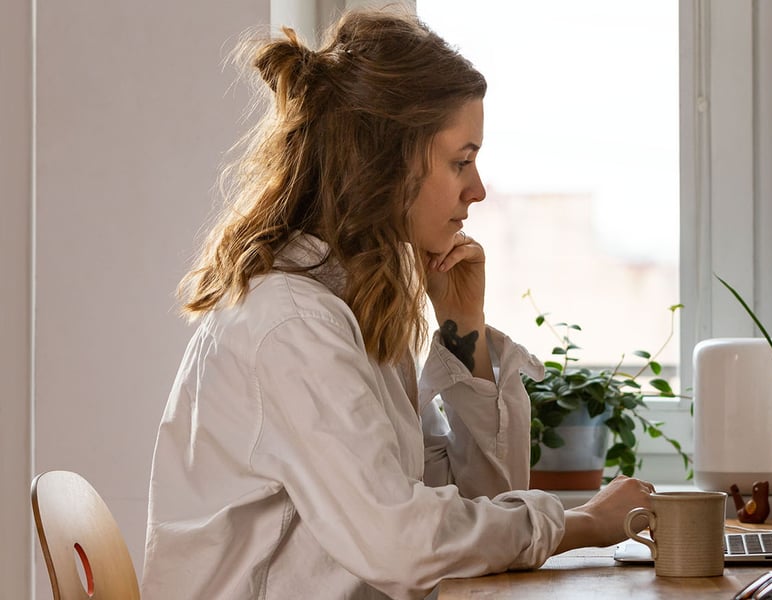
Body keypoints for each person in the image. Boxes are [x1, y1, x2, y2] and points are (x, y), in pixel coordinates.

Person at [141, 8, 654, 599]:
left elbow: (473, 510)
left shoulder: (354, 309)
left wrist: (464, 328)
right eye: (461, 161)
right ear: (386, 164)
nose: (478, 189)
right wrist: (584, 523)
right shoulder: (292, 324)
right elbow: (405, 544)